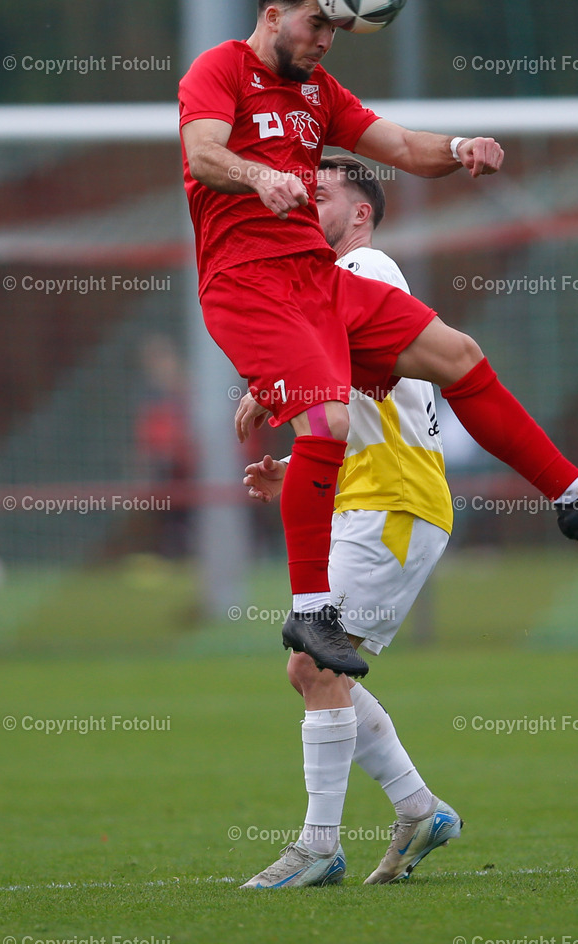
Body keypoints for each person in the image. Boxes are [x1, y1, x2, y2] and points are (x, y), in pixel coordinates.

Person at [178, 0, 578, 795]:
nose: (327, 40)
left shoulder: (320, 95)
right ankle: (312, 614)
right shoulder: (221, 67)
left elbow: (399, 145)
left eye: (338, 27)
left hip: (318, 282)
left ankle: (573, 495)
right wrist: (261, 174)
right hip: (250, 287)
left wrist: (459, 148)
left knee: (458, 357)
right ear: (273, 13)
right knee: (328, 424)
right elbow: (201, 150)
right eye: (316, 23)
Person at [236, 156, 459, 888]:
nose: (305, 202)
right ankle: (416, 809)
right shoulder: (332, 286)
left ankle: (320, 845)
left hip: (394, 501)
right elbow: (341, 412)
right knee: (309, 666)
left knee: (318, 665)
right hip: (370, 495)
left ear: (359, 213)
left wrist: (268, 387)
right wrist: (297, 471)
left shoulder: (368, 264)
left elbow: (342, 360)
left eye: (320, 194)